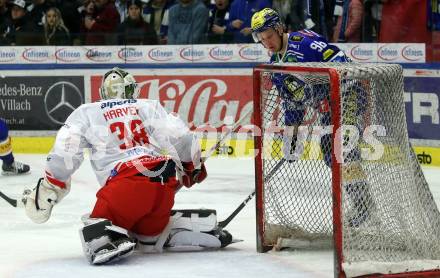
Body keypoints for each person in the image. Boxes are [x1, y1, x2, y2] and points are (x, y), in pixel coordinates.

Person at [22, 67, 234, 265]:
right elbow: (183, 138)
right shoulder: (148, 106)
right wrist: (191, 167)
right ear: (133, 89)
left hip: (126, 184)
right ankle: (159, 232)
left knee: (96, 223)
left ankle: (107, 239)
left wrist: (48, 190)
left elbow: (64, 153)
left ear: (104, 92)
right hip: (163, 181)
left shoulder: (87, 112)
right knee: (146, 234)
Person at [251, 8, 371, 228]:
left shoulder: (303, 43)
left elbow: (341, 61)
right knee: (329, 153)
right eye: (261, 38)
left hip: (349, 93)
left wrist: (338, 90)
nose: (266, 42)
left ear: (279, 28)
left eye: (269, 35)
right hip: (328, 106)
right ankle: (361, 198)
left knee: (341, 148)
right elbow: (294, 105)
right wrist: (292, 140)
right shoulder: (277, 66)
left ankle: (364, 205)